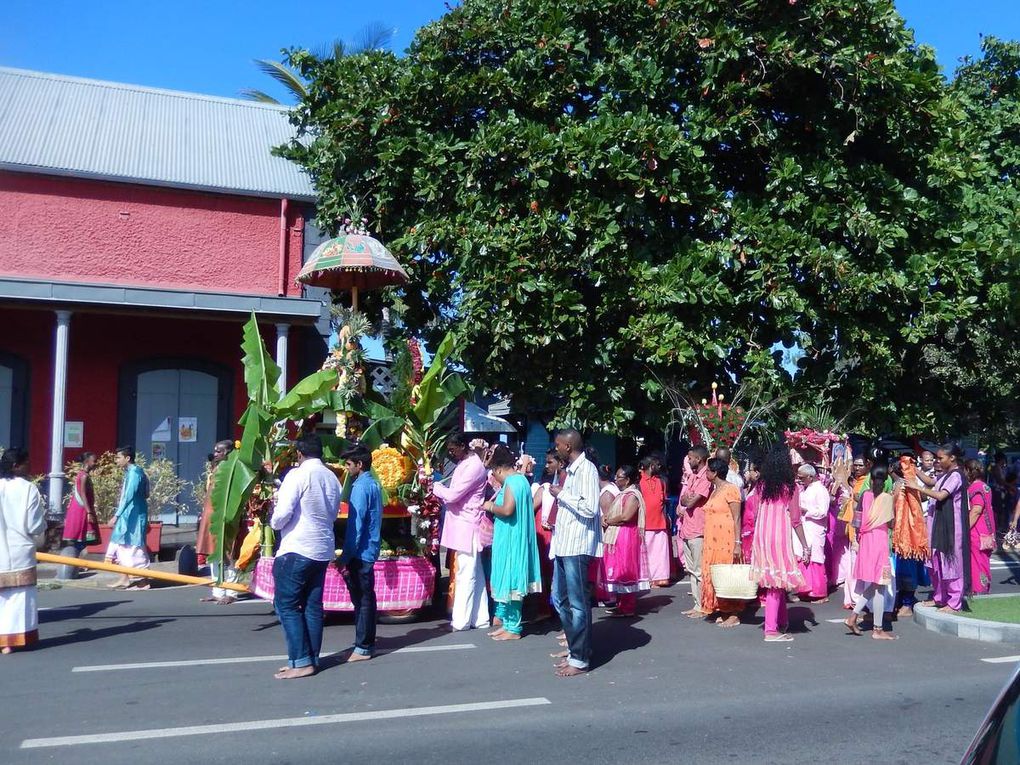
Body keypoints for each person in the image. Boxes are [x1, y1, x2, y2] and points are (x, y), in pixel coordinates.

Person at [269, 434, 342, 679]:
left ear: (299, 454)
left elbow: (282, 515)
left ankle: (301, 661)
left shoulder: (297, 475)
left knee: (287, 605)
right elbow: (333, 513)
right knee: (312, 606)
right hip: (321, 548)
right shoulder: (332, 477)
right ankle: (309, 658)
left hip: (298, 547)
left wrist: (273, 520)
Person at [548, 429, 601, 677]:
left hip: (578, 545)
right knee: (561, 599)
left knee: (578, 604)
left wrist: (562, 494)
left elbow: (590, 508)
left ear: (568, 447)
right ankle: (575, 649)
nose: (555, 448)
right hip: (564, 544)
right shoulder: (570, 471)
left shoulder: (587, 470)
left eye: (558, 444)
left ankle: (580, 659)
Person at [749, 445, 809, 642]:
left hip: (762, 536)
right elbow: (796, 520)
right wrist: (805, 544)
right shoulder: (790, 487)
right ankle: (771, 631)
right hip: (779, 536)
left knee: (776, 580)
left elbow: (756, 512)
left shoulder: (761, 486)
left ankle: (781, 621)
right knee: (776, 583)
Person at [482, 445, 543, 640]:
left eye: (494, 473)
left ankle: (514, 628)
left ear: (499, 469)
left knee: (511, 580)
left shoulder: (512, 482)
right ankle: (508, 624)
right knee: (508, 580)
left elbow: (507, 510)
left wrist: (490, 506)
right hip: (510, 536)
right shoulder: (521, 480)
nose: (494, 478)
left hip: (511, 539)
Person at [433, 433, 490, 632]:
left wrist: (436, 488)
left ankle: (462, 620)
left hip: (467, 525)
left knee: (467, 574)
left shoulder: (474, 466)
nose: (451, 453)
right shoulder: (467, 463)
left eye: (453, 449)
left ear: (464, 446)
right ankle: (480, 618)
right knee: (475, 573)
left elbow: (453, 495)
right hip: (463, 524)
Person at [337, 443, 383, 663]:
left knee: (363, 600)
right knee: (367, 599)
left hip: (361, 552)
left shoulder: (360, 488)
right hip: (369, 549)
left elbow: (355, 526)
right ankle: (367, 643)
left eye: (348, 464)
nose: (347, 468)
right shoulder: (373, 484)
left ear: (360, 464)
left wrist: (344, 557)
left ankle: (363, 647)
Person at [0, 448, 46, 654]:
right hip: (19, 551)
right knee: (18, 599)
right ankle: (11, 641)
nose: (30, 465)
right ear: (15, 466)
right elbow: (34, 525)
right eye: (26, 462)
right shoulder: (28, 489)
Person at [844, 464, 898, 640]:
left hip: (866, 541)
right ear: (885, 482)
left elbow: (857, 520)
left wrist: (858, 538)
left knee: (874, 585)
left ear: (871, 480)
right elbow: (891, 524)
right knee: (880, 586)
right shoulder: (887, 498)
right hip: (880, 541)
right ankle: (877, 629)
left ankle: (853, 616)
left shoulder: (864, 496)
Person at [916, 443, 971, 613]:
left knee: (951, 563)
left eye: (941, 458)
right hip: (937, 526)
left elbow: (941, 495)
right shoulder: (945, 475)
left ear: (952, 458)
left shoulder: (956, 476)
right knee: (936, 563)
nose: (937, 461)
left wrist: (916, 487)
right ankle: (940, 597)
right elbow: (931, 482)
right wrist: (913, 470)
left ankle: (954, 603)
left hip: (951, 528)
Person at [700, 457, 745, 628]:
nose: (706, 473)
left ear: (715, 472)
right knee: (715, 575)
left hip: (726, 540)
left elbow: (737, 517)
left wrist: (737, 543)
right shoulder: (715, 490)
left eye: (708, 471)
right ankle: (723, 609)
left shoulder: (730, 489)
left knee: (727, 575)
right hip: (713, 540)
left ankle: (734, 613)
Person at [600, 465, 649, 617]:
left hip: (627, 536)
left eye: (619, 477)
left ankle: (627, 607)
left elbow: (627, 516)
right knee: (619, 569)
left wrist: (609, 520)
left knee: (626, 570)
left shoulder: (633, 495)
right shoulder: (623, 494)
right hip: (619, 535)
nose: (615, 479)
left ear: (627, 480)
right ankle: (621, 604)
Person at [196, 440, 237, 603]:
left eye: (219, 451)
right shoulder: (216, 468)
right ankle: (217, 591)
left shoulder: (233, 469)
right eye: (215, 451)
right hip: (210, 516)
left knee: (228, 555)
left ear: (228, 452)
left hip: (225, 517)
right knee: (213, 553)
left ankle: (232, 593)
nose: (216, 454)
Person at [105, 446, 150, 590]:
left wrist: (116, 515)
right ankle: (124, 578)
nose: (116, 460)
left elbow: (128, 496)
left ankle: (143, 581)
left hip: (133, 515)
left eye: (118, 457)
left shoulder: (135, 473)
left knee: (133, 547)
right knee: (122, 544)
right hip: (129, 514)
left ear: (127, 458)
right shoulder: (133, 472)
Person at [678, 445, 712, 617]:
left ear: (698, 459)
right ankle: (697, 605)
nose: (688, 460)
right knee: (692, 570)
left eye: (690, 458)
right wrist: (686, 499)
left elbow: (690, 502)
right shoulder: (692, 476)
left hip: (699, 529)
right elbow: (684, 499)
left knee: (699, 570)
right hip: (687, 528)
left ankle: (704, 605)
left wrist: (687, 499)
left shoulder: (706, 476)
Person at [795, 464, 829, 602]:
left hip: (815, 528)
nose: (799, 480)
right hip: (805, 528)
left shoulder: (821, 490)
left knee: (816, 558)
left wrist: (805, 511)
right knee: (804, 557)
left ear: (810, 476)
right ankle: (805, 590)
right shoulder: (805, 489)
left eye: (802, 477)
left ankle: (820, 593)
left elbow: (822, 512)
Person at [965, 460, 995, 596]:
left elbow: (976, 510)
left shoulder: (975, 488)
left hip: (976, 533)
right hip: (986, 533)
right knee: (982, 562)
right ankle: (982, 590)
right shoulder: (984, 486)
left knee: (977, 562)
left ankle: (979, 591)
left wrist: (965, 529)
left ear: (969, 471)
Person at [640, 454, 670, 587]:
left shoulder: (662, 481)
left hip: (660, 523)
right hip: (645, 525)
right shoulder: (638, 481)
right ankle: (647, 579)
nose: (660, 467)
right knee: (646, 554)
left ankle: (659, 579)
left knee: (659, 554)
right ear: (652, 466)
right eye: (657, 465)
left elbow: (664, 501)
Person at [62, 451, 99, 553]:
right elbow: (83, 493)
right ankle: (75, 561)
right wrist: (89, 512)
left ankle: (76, 561)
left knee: (82, 538)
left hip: (81, 508)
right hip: (82, 509)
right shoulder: (84, 476)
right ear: (87, 462)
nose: (96, 463)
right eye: (94, 461)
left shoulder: (82, 474)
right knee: (82, 538)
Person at [740, 458, 761, 562]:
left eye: (750, 470)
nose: (748, 473)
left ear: (757, 472)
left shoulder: (761, 489)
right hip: (747, 529)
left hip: (754, 531)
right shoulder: (752, 487)